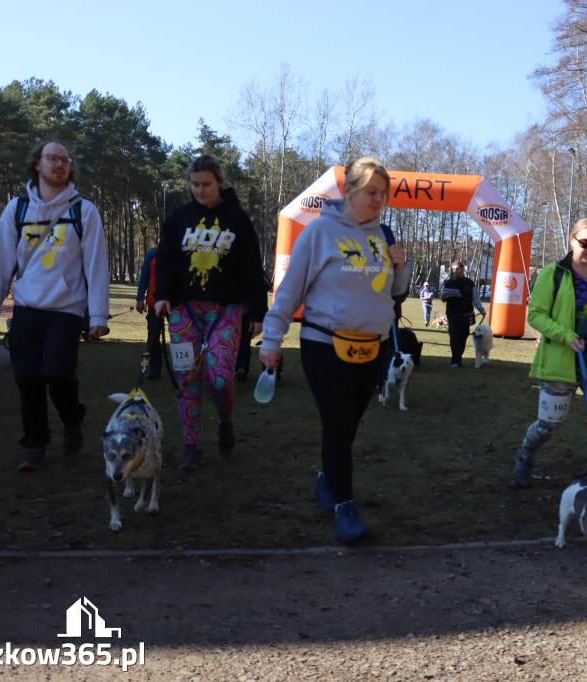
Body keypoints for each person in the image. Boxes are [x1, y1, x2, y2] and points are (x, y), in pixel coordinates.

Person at [259, 157, 408, 543]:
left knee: (348, 425)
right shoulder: (319, 232)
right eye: (371, 192)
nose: (378, 200)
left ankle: (327, 480)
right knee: (339, 424)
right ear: (347, 190)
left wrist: (401, 267)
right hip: (324, 344)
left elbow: (394, 294)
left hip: (373, 348)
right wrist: (272, 340)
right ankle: (345, 506)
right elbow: (289, 291)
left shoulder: (384, 235)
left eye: (383, 194)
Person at [0, 140, 110, 471]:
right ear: (37, 163)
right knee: (27, 378)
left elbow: (96, 265)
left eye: (65, 160)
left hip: (66, 310)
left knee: (57, 373)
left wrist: (98, 314)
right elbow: (0, 263)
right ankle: (35, 446)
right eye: (52, 158)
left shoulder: (84, 211)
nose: (60, 164)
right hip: (27, 307)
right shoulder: (17, 209)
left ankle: (72, 418)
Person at [154, 154, 267, 471]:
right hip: (183, 310)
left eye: (206, 184)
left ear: (220, 183)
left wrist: (258, 312)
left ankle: (224, 420)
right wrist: (162, 295)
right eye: (194, 184)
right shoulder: (179, 218)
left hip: (226, 310)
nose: (199, 190)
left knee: (219, 379)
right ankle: (191, 446)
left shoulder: (238, 219)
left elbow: (252, 267)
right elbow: (164, 259)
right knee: (187, 377)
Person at [509, 218, 587, 489]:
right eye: (586, 243)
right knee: (548, 425)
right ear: (572, 240)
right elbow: (536, 315)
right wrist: (567, 336)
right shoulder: (553, 273)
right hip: (560, 362)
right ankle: (524, 456)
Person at [441, 261, 485, 367]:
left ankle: (458, 356)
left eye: (457, 269)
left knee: (463, 336)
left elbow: (475, 298)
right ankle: (455, 361)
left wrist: (481, 310)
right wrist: (444, 297)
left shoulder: (470, 283)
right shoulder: (448, 283)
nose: (455, 271)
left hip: (466, 315)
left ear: (462, 269)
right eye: (453, 269)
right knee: (454, 337)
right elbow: (442, 298)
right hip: (453, 315)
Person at [136, 245, 163, 380]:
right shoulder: (152, 253)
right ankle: (154, 368)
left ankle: (184, 369)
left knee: (180, 339)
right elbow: (144, 278)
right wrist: (140, 299)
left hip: (175, 304)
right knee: (152, 339)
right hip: (154, 303)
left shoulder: (179, 251)